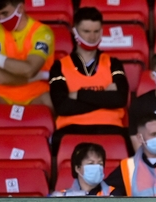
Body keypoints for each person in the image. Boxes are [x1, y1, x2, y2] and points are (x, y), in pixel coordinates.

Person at [49, 7, 129, 155]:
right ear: (75, 31)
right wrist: (105, 96)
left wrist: (79, 94)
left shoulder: (113, 63)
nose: (92, 37)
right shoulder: (60, 66)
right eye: (86, 31)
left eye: (96, 31)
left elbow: (120, 99)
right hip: (71, 129)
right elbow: (62, 106)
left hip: (111, 128)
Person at [0, 0, 55, 115]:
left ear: (20, 9)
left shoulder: (42, 32)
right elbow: (1, 77)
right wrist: (40, 75)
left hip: (36, 95)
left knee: (51, 100)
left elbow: (30, 70)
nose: (1, 19)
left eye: (5, 14)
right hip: (2, 95)